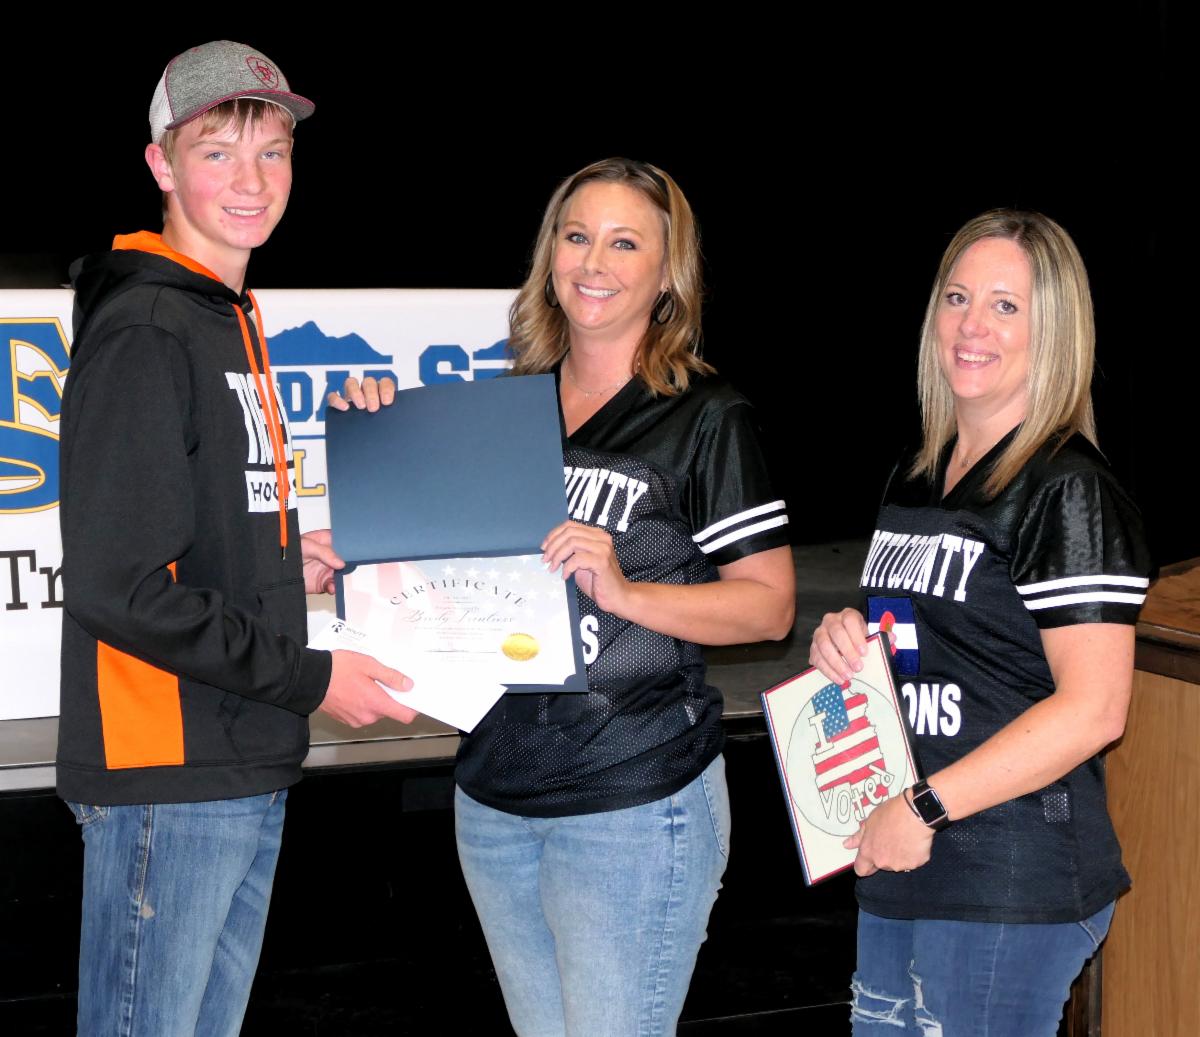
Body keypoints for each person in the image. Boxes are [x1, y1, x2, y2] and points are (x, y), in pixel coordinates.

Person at [333, 158, 796, 1035]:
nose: (595, 261)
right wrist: (380, 438)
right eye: (576, 236)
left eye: (626, 242)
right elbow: (441, 580)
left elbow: (768, 607)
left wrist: (625, 588)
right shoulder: (506, 407)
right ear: (550, 256)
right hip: (495, 799)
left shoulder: (704, 415)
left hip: (632, 799)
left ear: (668, 273)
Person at [56, 40, 414, 1036]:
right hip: (171, 774)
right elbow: (120, 586)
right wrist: (313, 676)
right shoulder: (149, 329)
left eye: (272, 152)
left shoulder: (223, 317)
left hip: (235, 758)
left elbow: (184, 540)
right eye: (217, 152)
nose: (251, 181)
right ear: (161, 164)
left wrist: (277, 558)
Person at [808, 210, 1153, 1036]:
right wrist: (845, 638)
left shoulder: (1067, 488)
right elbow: (929, 639)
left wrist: (925, 806)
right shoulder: (919, 471)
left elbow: (1095, 707)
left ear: (1055, 332)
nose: (971, 325)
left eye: (1006, 306)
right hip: (901, 855)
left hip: (1004, 878)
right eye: (958, 298)